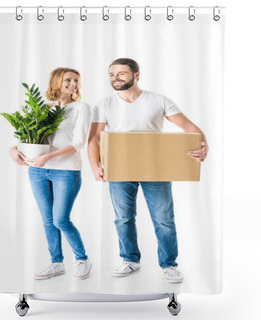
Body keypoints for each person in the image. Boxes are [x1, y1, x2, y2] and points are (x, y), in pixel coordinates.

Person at [88, 58, 208, 283]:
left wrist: (204, 147)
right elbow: (94, 138)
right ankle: (130, 259)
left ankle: (169, 264)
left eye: (121, 74)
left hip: (156, 167)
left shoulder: (159, 101)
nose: (116, 78)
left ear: (136, 75)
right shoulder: (104, 104)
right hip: (119, 168)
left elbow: (190, 128)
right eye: (112, 74)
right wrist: (95, 166)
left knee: (163, 218)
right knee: (123, 217)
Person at [9, 67, 92, 280]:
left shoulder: (81, 108)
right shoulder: (44, 108)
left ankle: (82, 259)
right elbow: (31, 137)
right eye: (68, 80)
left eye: (76, 80)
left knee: (61, 219)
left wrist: (48, 157)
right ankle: (57, 263)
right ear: (56, 82)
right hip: (37, 170)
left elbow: (78, 143)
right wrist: (13, 149)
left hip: (66, 170)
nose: (74, 84)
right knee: (48, 220)